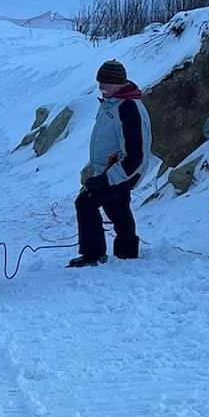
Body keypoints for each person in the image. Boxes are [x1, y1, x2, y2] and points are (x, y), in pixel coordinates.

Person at [71, 59, 152, 267]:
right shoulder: (113, 103)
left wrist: (106, 179)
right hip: (113, 169)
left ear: (119, 83)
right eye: (100, 83)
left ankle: (93, 254)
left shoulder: (128, 108)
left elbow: (135, 155)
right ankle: (127, 252)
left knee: (86, 202)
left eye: (106, 83)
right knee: (117, 205)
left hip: (125, 171)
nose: (101, 87)